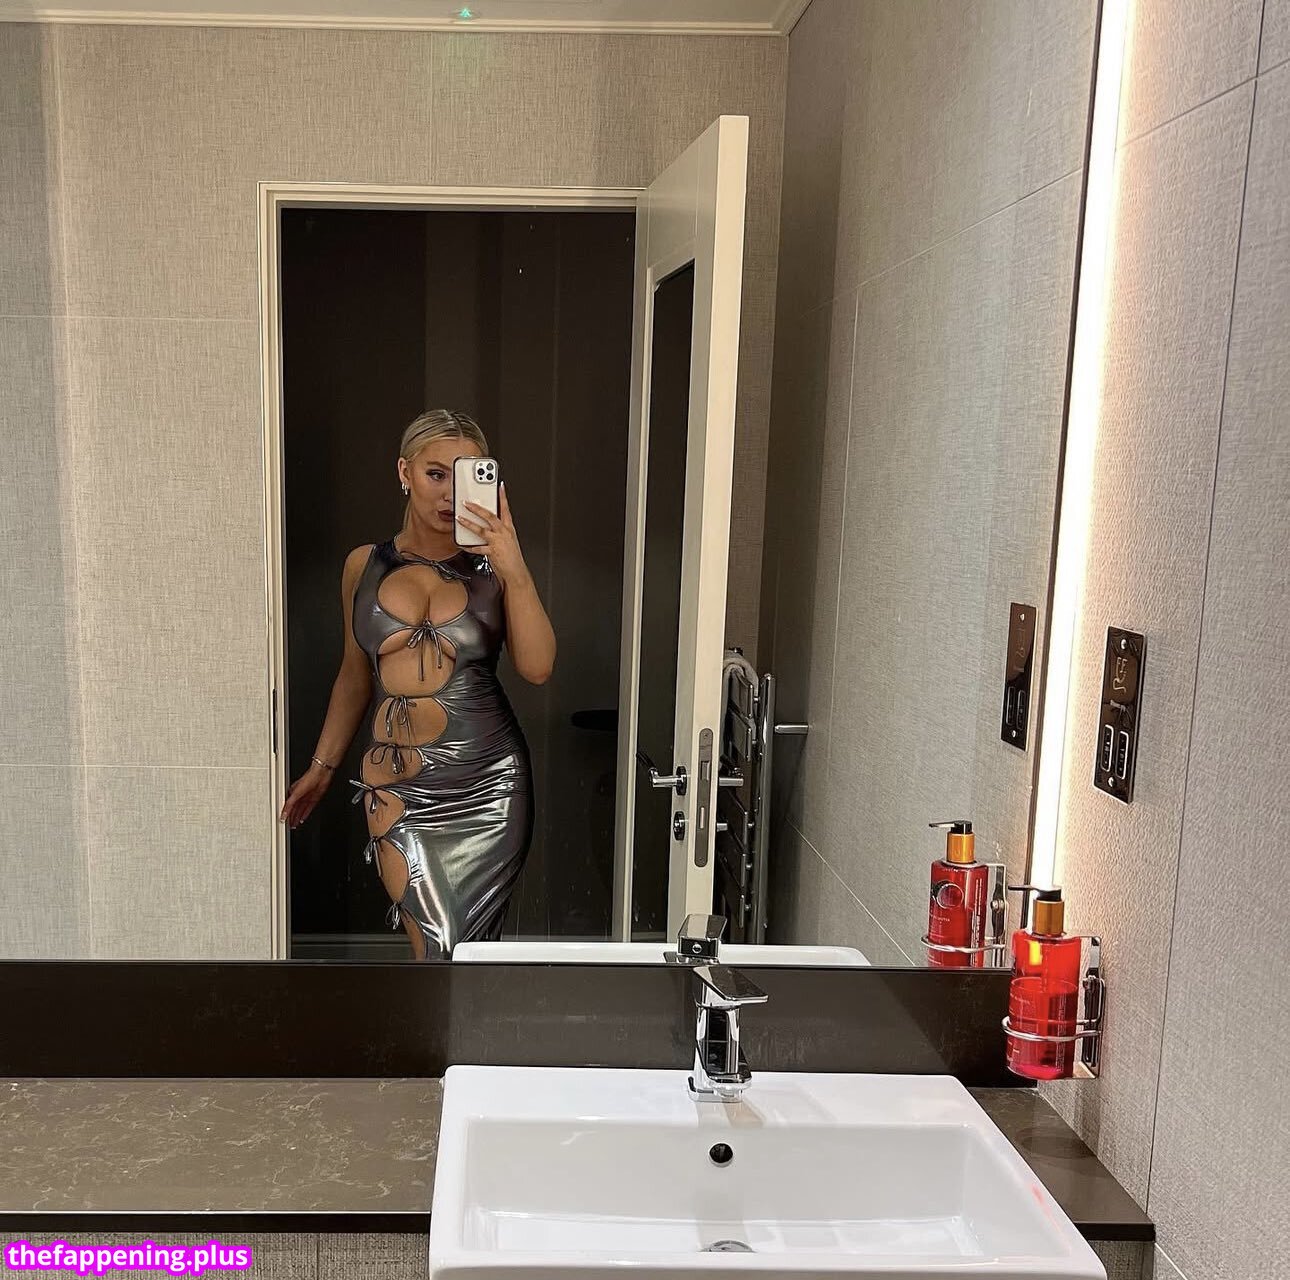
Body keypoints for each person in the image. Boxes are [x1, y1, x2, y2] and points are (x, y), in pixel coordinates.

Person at [280, 410, 556, 959]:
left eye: (465, 475)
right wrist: (321, 768)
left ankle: (466, 1022)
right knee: (435, 949)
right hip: (396, 784)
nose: (450, 492)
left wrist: (514, 566)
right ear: (404, 472)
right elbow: (354, 675)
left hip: (489, 783)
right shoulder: (363, 565)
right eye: (435, 474)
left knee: (471, 956)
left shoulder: (496, 569)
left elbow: (538, 667)